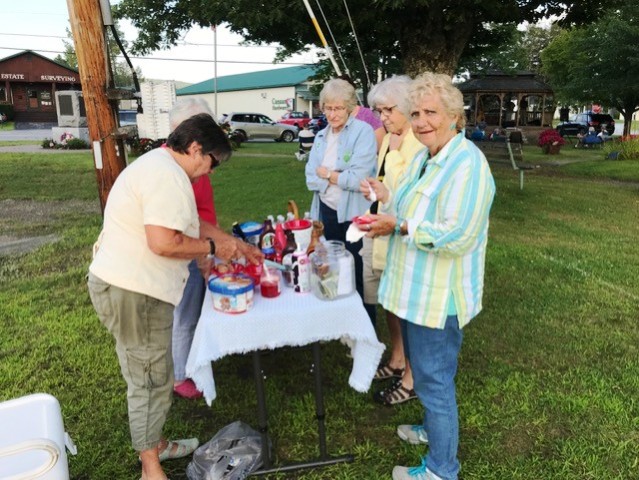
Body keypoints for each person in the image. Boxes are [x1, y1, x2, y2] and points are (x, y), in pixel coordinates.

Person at [361, 72, 495, 480]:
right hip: (415, 292)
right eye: (415, 112)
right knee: (427, 373)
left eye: (431, 112)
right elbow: (408, 206)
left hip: (440, 298)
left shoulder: (467, 164)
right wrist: (386, 199)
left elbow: (457, 235)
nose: (421, 121)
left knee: (435, 383)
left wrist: (399, 227)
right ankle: (436, 434)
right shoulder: (424, 157)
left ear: (454, 116)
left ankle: (441, 468)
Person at [87, 113, 234, 480]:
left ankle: (154, 443)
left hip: (125, 286)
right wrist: (214, 246)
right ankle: (150, 466)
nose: (211, 171)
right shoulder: (166, 176)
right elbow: (164, 242)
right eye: (212, 162)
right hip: (135, 292)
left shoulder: (162, 165)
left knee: (145, 371)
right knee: (150, 379)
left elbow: (189, 224)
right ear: (196, 148)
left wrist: (233, 244)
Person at [168, 99, 263, 400]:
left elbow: (198, 217)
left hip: (199, 241)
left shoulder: (186, 165)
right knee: (185, 316)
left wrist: (229, 244)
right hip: (187, 250)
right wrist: (206, 255)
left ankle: (193, 362)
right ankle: (180, 375)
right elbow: (179, 229)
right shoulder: (173, 171)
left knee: (191, 312)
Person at [361, 75, 425, 407]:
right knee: (387, 299)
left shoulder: (418, 142)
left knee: (406, 306)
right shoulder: (389, 138)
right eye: (379, 111)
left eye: (388, 110)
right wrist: (374, 188)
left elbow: (410, 198)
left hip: (401, 233)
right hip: (379, 225)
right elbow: (387, 182)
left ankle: (412, 377)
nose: (383, 117)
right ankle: (397, 358)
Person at [305, 78, 377, 303]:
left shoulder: (362, 132)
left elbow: (359, 179)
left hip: (354, 213)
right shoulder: (320, 136)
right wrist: (335, 177)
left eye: (338, 108)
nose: (332, 114)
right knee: (333, 268)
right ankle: (339, 319)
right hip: (327, 210)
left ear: (349, 108)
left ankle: (365, 328)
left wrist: (328, 174)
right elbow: (310, 178)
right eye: (328, 108)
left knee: (356, 271)